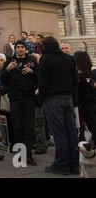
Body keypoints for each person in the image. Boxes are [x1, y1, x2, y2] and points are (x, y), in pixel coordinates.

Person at [38, 36, 79, 175]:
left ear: (44, 46)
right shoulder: (69, 58)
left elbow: (43, 82)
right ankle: (74, 164)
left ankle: (61, 164)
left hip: (52, 99)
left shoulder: (45, 59)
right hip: (67, 98)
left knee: (59, 134)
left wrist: (40, 99)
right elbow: (75, 81)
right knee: (71, 132)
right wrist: (72, 98)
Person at [1, 39, 38, 166]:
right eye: (18, 47)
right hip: (15, 98)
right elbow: (3, 80)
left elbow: (39, 78)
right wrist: (7, 70)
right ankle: (20, 154)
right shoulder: (9, 62)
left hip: (29, 98)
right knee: (17, 128)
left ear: (25, 48)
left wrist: (31, 72)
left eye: (22, 47)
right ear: (15, 49)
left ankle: (28, 155)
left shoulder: (31, 61)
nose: (20, 49)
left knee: (29, 127)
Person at [0, 52, 15, 151]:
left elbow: (10, 85)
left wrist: (0, 92)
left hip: (5, 98)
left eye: (1, 60)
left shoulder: (7, 72)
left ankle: (12, 142)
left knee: (8, 120)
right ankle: (0, 141)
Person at [73, 51, 96, 144]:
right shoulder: (92, 73)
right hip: (92, 103)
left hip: (86, 105)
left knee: (93, 128)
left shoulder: (78, 76)